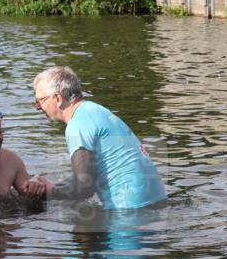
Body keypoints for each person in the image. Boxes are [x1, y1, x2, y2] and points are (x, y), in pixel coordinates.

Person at [33, 66, 167, 210]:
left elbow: (85, 187)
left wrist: (51, 192)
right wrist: (54, 185)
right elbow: (87, 174)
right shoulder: (95, 110)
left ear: (58, 98)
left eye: (40, 101)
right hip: (158, 200)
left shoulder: (77, 125)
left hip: (131, 209)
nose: (38, 107)